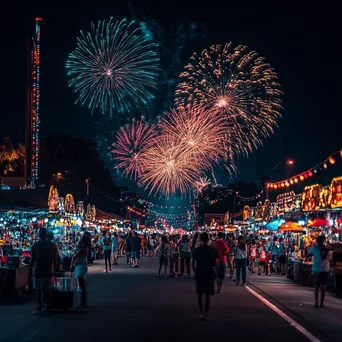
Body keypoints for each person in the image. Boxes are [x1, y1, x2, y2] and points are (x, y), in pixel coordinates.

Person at [30, 228, 59, 315]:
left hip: (38, 270)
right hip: (49, 270)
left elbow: (32, 259)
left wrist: (29, 269)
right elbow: (56, 259)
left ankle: (39, 307)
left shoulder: (35, 245)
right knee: (47, 290)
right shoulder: (53, 245)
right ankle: (46, 307)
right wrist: (55, 270)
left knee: (38, 290)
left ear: (39, 234)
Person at [192, 232, 218, 321]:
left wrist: (196, 271)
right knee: (207, 295)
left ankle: (201, 312)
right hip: (209, 273)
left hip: (200, 273)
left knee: (200, 294)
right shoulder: (212, 250)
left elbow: (193, 263)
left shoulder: (197, 250)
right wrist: (216, 273)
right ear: (208, 240)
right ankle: (205, 314)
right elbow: (215, 263)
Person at [306, 235, 331, 308]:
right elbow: (330, 259)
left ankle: (316, 302)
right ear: (323, 241)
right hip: (325, 269)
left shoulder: (314, 248)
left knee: (317, 286)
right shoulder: (327, 249)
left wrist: (307, 260)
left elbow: (308, 255)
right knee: (323, 286)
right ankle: (322, 302)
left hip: (316, 269)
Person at [71, 236, 89, 309]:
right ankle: (83, 302)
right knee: (83, 286)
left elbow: (74, 257)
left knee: (82, 286)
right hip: (83, 266)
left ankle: (82, 303)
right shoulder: (86, 249)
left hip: (80, 267)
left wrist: (71, 266)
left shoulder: (82, 249)